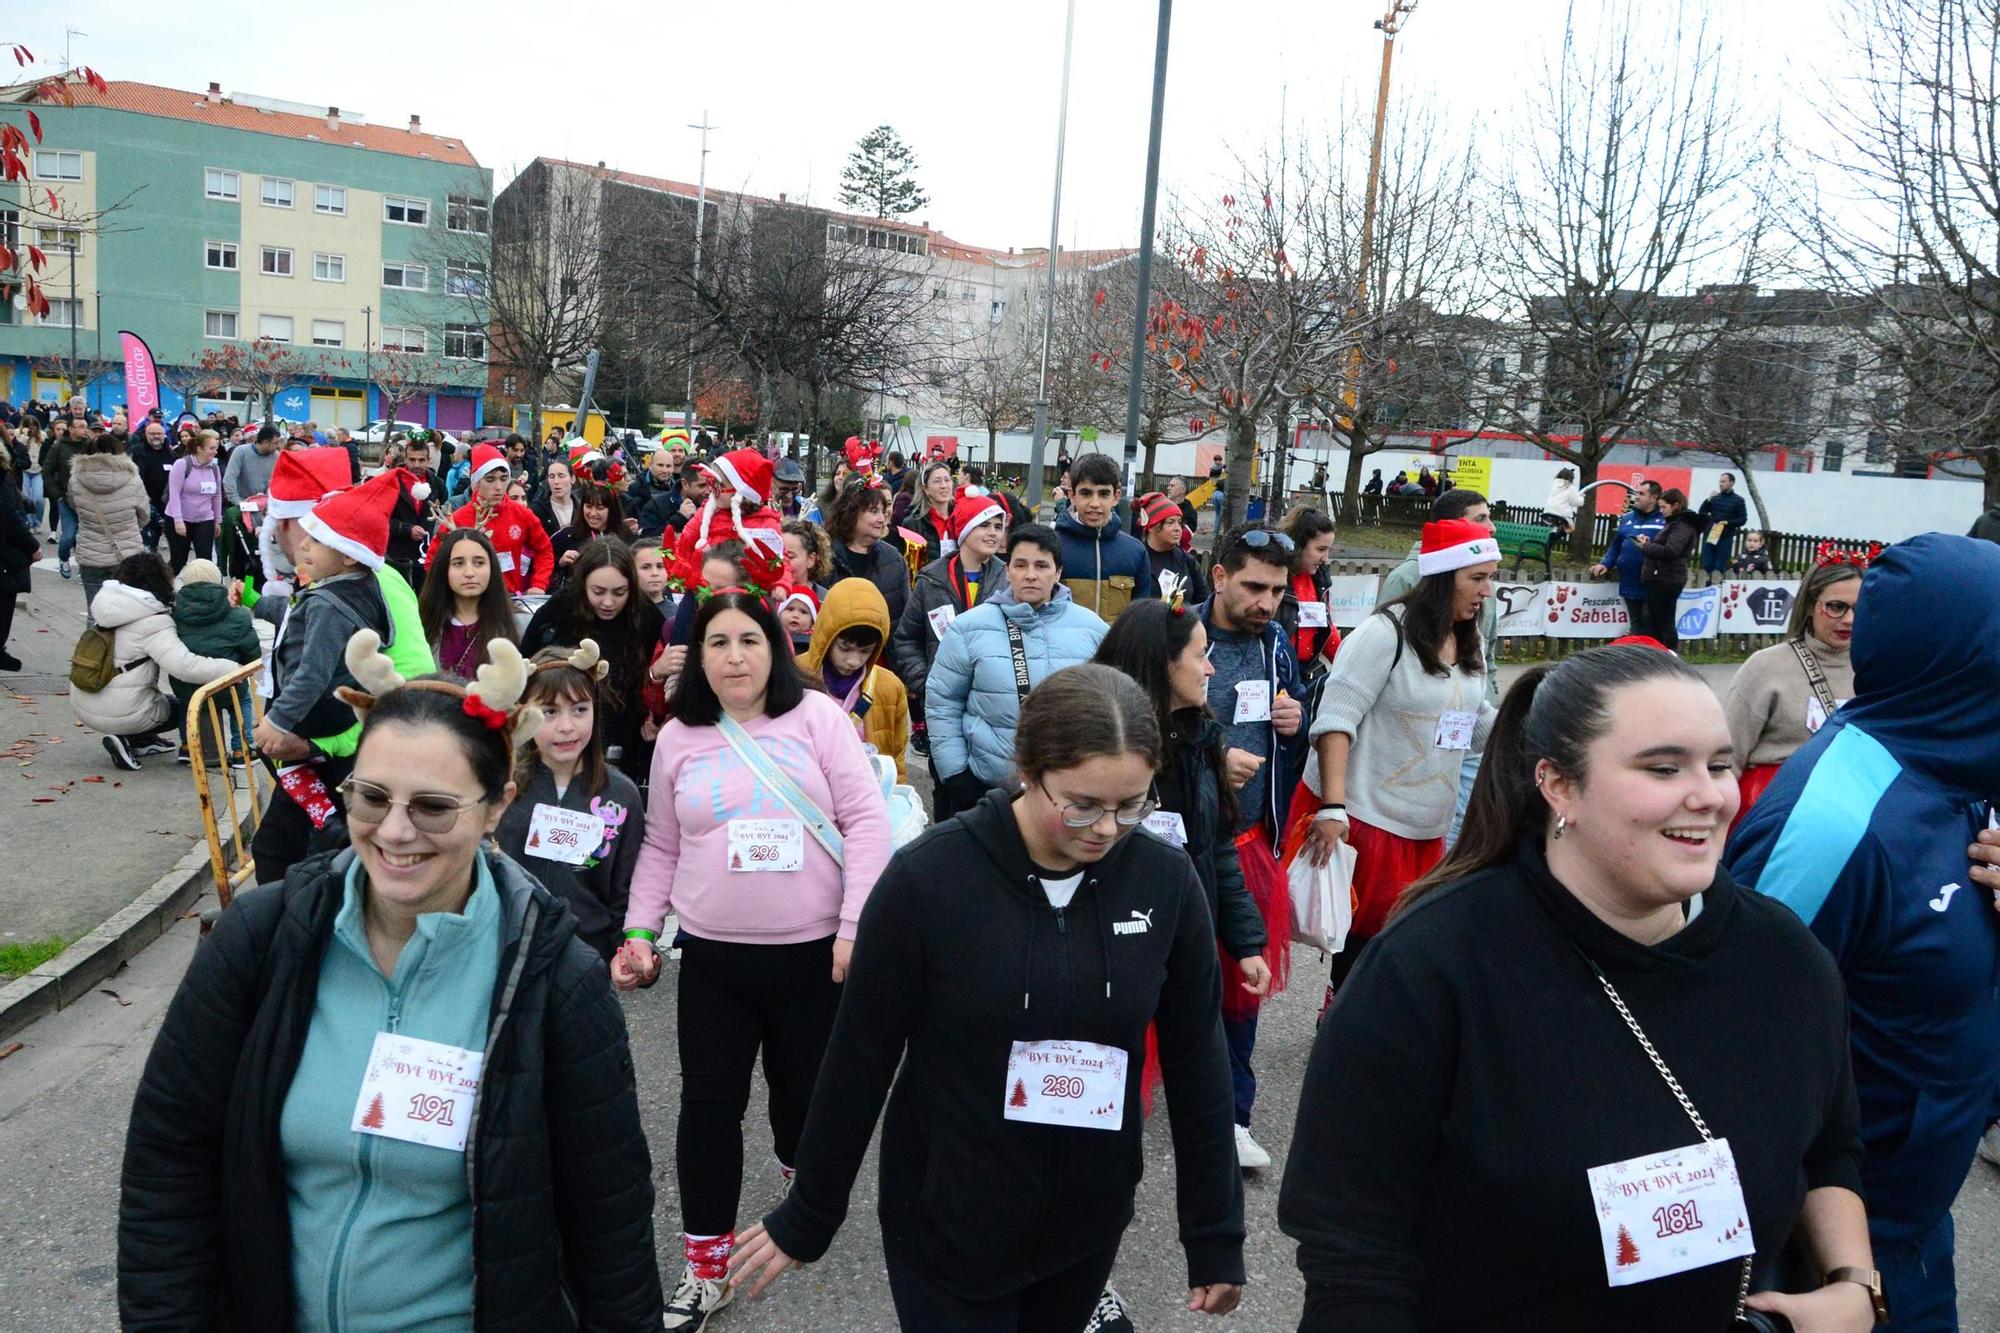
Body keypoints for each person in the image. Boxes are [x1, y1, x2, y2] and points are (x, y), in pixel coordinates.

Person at [1280, 644, 1878, 1332]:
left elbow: (1830, 1144)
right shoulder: (1430, 970)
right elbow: (1353, 1255)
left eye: (1719, 764)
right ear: (1559, 785)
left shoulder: (1785, 959)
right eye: (1662, 766)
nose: (1709, 794)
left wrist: (1854, 1284)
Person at [118, 641, 665, 1329]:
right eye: (371, 796)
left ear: (498, 804)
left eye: (433, 806)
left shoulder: (554, 976)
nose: (396, 831)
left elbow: (610, 1224)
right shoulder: (260, 938)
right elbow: (168, 1164)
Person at [724, 663, 1246, 1330]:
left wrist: (1214, 1235)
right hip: (947, 1222)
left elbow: (1199, 1056)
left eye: (1131, 804)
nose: (1106, 828)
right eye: (1082, 803)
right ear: (1029, 768)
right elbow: (859, 1055)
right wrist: (810, 1214)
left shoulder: (1164, 881)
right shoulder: (929, 880)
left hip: (1086, 1222)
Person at [1727, 533, 2000, 1331]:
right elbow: (1725, 1048)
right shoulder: (1832, 824)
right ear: (1966, 660)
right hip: (1817, 1256)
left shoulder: (1964, 773)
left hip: (1915, 1228)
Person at [610, 588, 892, 1332]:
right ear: (697, 657)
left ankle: (804, 1195)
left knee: (802, 1100)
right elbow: (663, 844)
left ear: (775, 647)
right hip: (713, 961)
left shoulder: (820, 720)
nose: (735, 656)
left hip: (812, 957)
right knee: (709, 1109)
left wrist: (856, 925)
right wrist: (640, 931)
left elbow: (866, 823)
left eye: (750, 640)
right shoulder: (679, 736)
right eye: (718, 643)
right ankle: (706, 1268)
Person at [1297, 518, 1501, 999]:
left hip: (1428, 822)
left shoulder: (1467, 637)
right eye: (1478, 578)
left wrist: (1536, 738)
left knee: (1406, 941)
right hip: (1369, 816)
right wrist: (1332, 808)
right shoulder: (1382, 633)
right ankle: (1345, 1022)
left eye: (1490, 577)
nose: (1488, 591)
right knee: (1370, 942)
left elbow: (1475, 719)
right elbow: (1334, 722)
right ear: (1442, 577)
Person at [1194, 525, 1305, 1170]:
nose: (1267, 602)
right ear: (1218, 577)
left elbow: (1291, 729)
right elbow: (1147, 729)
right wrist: (1213, 757)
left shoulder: (1276, 646)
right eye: (1254, 587)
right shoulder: (1180, 635)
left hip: (1248, 839)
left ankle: (1233, 1115)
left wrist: (1295, 724)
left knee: (1245, 975)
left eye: (1277, 590)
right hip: (1181, 841)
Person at [926, 523, 1108, 821]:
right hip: (984, 790)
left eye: (1041, 565)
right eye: (1020, 565)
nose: (1030, 575)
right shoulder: (970, 627)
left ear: (1058, 572)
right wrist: (956, 772)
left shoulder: (1093, 629)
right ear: (1007, 570)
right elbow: (942, 701)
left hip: (1067, 795)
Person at [495, 642, 647, 961]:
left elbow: (626, 892)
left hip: (589, 957)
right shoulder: (501, 785)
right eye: (549, 711)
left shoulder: (621, 795)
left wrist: (627, 954)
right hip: (508, 950)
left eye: (579, 709)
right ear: (524, 712)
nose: (566, 726)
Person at [1378, 490, 1502, 845]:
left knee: (1462, 816)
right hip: (1419, 732)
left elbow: (1486, 655)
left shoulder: (1483, 582)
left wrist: (1490, 704)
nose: (1491, 527)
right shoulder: (1407, 579)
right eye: (1480, 519)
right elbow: (1391, 655)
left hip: (1469, 722)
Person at [1723, 555, 1862, 826]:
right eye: (1836, 607)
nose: (1849, 619)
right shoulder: (1766, 666)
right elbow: (1727, 758)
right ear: (1810, 606)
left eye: (1860, 607)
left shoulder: (1877, 670)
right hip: (1769, 820)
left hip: (1846, 822)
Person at [75, 552, 242, 771]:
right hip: (119, 711)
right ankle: (128, 738)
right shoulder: (152, 621)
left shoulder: (108, 606)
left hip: (84, 702)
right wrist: (233, 669)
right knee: (183, 706)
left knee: (152, 696)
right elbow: (186, 667)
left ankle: (139, 739)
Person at [522, 537, 663, 786]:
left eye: (619, 592)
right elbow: (526, 671)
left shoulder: (645, 616)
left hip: (625, 741)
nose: (608, 603)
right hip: (560, 740)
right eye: (598, 592)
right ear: (582, 584)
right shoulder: (558, 611)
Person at [890, 493, 1009, 761]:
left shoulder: (1008, 581)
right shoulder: (931, 580)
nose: (993, 534)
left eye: (998, 527)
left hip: (992, 704)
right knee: (946, 781)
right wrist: (926, 683)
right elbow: (907, 639)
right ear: (965, 528)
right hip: (942, 706)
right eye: (985, 525)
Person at [798, 577, 911, 782]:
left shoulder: (889, 687)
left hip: (866, 796)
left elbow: (896, 759)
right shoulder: (795, 674)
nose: (853, 661)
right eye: (845, 648)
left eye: (865, 651)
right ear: (827, 635)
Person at [167, 558, 262, 767]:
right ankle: (241, 749)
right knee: (242, 699)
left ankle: (187, 746)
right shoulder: (237, 615)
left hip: (187, 685)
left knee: (186, 702)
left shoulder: (174, 614)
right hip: (226, 685)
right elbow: (252, 652)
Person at [431, 444, 554, 596]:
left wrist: (539, 585)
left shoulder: (523, 515)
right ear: (476, 483)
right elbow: (433, 560)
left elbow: (544, 550)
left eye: (504, 479)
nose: (498, 486)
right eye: (490, 479)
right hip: (469, 601)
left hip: (509, 600)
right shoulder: (458, 518)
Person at [1054, 452, 1151, 621]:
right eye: (1086, 493)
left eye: (1103, 494)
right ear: (1072, 496)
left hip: (1117, 647)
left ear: (1116, 497)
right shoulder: (1052, 546)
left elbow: (1140, 619)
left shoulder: (1135, 551)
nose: (1095, 503)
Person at [420, 527, 521, 681]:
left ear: (492, 568)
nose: (469, 572)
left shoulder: (517, 626)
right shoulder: (422, 625)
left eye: (479, 563)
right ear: (443, 569)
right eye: (458, 563)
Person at [69, 433, 151, 619]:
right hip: (127, 554)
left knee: (94, 613)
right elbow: (144, 516)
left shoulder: (75, 480)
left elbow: (75, 507)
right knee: (128, 613)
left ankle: (94, 648)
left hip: (90, 553)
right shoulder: (133, 479)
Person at [825, 475, 912, 625]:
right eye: (873, 511)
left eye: (882, 511)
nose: (881, 519)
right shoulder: (826, 556)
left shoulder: (894, 560)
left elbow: (905, 621)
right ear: (852, 512)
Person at [1589, 480, 1666, 632]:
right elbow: (1616, 545)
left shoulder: (1664, 520)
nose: (1636, 497)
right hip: (1629, 581)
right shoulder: (1627, 518)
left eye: (1641, 494)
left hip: (1653, 582)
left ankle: (1650, 654)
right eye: (1636, 493)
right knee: (1636, 624)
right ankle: (1637, 653)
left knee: (1650, 624)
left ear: (1653, 498)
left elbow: (1670, 548)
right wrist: (1605, 563)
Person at [1634, 487, 1703, 650]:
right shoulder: (1675, 523)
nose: (1662, 511)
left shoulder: (1682, 524)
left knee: (1664, 620)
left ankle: (1669, 653)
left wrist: (1646, 547)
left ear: (1676, 505)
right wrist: (1650, 543)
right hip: (1661, 576)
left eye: (1664, 507)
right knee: (1654, 619)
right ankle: (1659, 653)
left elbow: (1671, 551)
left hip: (1668, 577)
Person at [1277, 505, 1340, 676]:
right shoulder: (1275, 580)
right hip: (1278, 673)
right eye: (1320, 549)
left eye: (1328, 550)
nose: (1326, 559)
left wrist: (1346, 665)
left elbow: (1328, 630)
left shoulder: (1319, 579)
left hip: (1309, 672)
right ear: (1299, 544)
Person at [163, 429, 225, 572]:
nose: (215, 452)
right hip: (179, 518)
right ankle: (169, 588)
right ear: (199, 448)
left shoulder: (214, 468)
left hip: (204, 519)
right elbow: (174, 493)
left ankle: (202, 589)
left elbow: (217, 495)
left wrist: (217, 520)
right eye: (212, 448)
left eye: (216, 448)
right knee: (179, 560)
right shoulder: (182, 464)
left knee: (205, 561)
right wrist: (178, 520)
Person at [1136, 491, 1209, 603]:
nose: (1178, 528)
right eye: (1170, 522)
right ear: (1151, 527)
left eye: (1179, 522)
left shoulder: (1188, 562)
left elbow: (1204, 603)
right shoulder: (1137, 558)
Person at [0, 442, 35, 671]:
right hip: (5, 551)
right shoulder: (3, 478)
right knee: (4, 599)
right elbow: (10, 516)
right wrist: (32, 545)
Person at [552, 481, 625, 586]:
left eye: (600, 508)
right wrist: (560, 562)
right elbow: (540, 563)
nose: (593, 513)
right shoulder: (567, 535)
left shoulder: (625, 535)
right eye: (589, 506)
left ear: (612, 510)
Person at [130, 419, 175, 553]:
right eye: (152, 433)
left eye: (159, 433)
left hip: (166, 503)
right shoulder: (136, 452)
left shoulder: (171, 454)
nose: (156, 436)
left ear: (164, 435)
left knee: (158, 536)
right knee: (145, 543)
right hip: (143, 502)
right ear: (146, 434)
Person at [1697, 471, 1750, 584]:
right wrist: (1708, 499)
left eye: (1724, 482)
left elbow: (1742, 519)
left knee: (1719, 565)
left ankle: (1717, 587)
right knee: (1707, 564)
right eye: (1720, 481)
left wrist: (1727, 523)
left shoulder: (1738, 501)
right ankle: (1705, 587)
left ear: (1731, 482)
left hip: (1725, 536)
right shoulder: (1715, 498)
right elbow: (1702, 512)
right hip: (1711, 534)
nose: (1721, 484)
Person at [907, 461, 957, 563]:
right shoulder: (914, 523)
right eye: (937, 481)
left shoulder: (961, 519)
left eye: (947, 480)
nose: (943, 485)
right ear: (926, 489)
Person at [533, 457, 577, 539]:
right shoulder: (537, 510)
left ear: (572, 479)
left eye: (561, 476)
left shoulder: (581, 508)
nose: (556, 481)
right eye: (552, 476)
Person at [1541, 465, 1584, 538]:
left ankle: (1551, 537)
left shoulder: (1554, 484)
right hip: (1561, 513)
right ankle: (1553, 538)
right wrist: (1581, 497)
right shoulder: (1570, 487)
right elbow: (1575, 502)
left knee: (1555, 527)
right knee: (1571, 528)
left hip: (1548, 511)